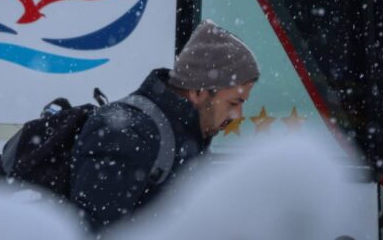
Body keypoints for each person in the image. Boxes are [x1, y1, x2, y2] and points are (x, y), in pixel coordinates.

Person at [69, 19, 260, 232]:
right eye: (233, 103)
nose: (237, 116)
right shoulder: (127, 135)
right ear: (198, 92)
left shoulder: (188, 136)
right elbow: (94, 231)